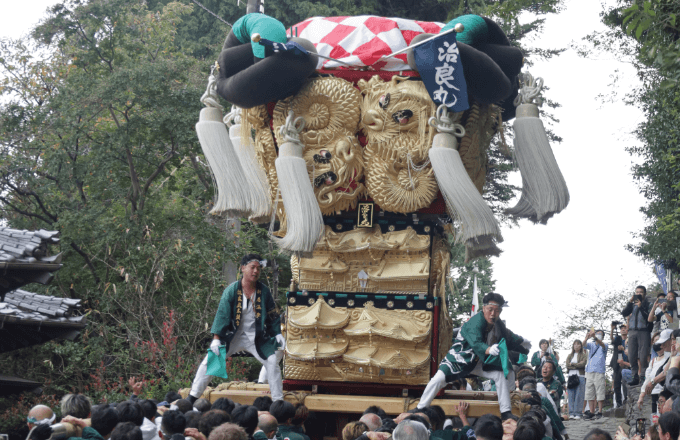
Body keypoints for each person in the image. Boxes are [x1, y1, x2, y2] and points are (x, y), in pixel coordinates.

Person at [417, 293, 531, 420]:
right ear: (484, 308)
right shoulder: (475, 322)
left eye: (497, 310)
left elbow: (508, 337)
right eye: (490, 309)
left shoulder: (498, 324)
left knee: (500, 374)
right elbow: (476, 343)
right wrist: (488, 349)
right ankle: (420, 407)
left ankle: (505, 411)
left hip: (479, 361)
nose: (493, 314)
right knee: (438, 379)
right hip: (460, 359)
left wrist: (522, 342)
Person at [188, 254, 285, 403]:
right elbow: (222, 315)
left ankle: (278, 401)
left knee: (272, 362)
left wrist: (277, 333)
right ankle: (192, 397)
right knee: (211, 361)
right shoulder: (232, 290)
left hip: (257, 337)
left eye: (258, 268)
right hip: (232, 336)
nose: (255, 271)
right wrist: (216, 339)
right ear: (243, 268)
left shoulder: (264, 291)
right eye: (252, 267)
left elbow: (272, 315)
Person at [622, 285, 652, 386]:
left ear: (645, 294)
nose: (638, 294)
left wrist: (640, 306)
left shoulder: (648, 304)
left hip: (644, 331)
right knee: (631, 355)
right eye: (637, 292)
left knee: (643, 356)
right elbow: (624, 313)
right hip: (632, 331)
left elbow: (649, 317)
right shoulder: (633, 304)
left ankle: (643, 376)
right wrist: (630, 302)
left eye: (641, 292)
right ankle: (634, 376)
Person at [638, 329, 673, 416]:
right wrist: (641, 395)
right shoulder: (653, 361)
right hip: (654, 394)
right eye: (655, 342)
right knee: (655, 418)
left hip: (667, 393)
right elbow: (648, 379)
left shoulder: (671, 356)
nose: (660, 345)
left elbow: (665, 372)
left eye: (660, 341)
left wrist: (653, 382)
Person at [582, 329, 608, 420]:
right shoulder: (591, 344)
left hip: (599, 371)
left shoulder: (605, 345)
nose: (598, 334)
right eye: (597, 333)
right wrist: (586, 337)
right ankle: (591, 412)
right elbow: (583, 345)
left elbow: (602, 345)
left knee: (600, 391)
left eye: (600, 334)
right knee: (589, 392)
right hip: (589, 371)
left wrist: (594, 337)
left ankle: (600, 411)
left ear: (603, 337)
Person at [565, 339, 587, 419]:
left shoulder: (583, 355)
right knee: (571, 395)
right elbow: (567, 365)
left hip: (580, 376)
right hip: (571, 376)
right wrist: (577, 365)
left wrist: (573, 364)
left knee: (579, 395)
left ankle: (578, 413)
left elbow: (582, 364)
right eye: (575, 344)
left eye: (578, 344)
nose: (576, 346)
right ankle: (571, 413)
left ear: (581, 346)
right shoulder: (570, 355)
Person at [610, 323, 629, 407]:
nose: (623, 330)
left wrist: (623, 348)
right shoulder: (618, 339)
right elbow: (612, 339)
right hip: (617, 364)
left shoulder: (630, 340)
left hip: (627, 363)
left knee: (625, 383)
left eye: (625, 328)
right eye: (621, 329)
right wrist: (612, 329)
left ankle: (626, 400)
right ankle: (618, 403)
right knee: (617, 383)